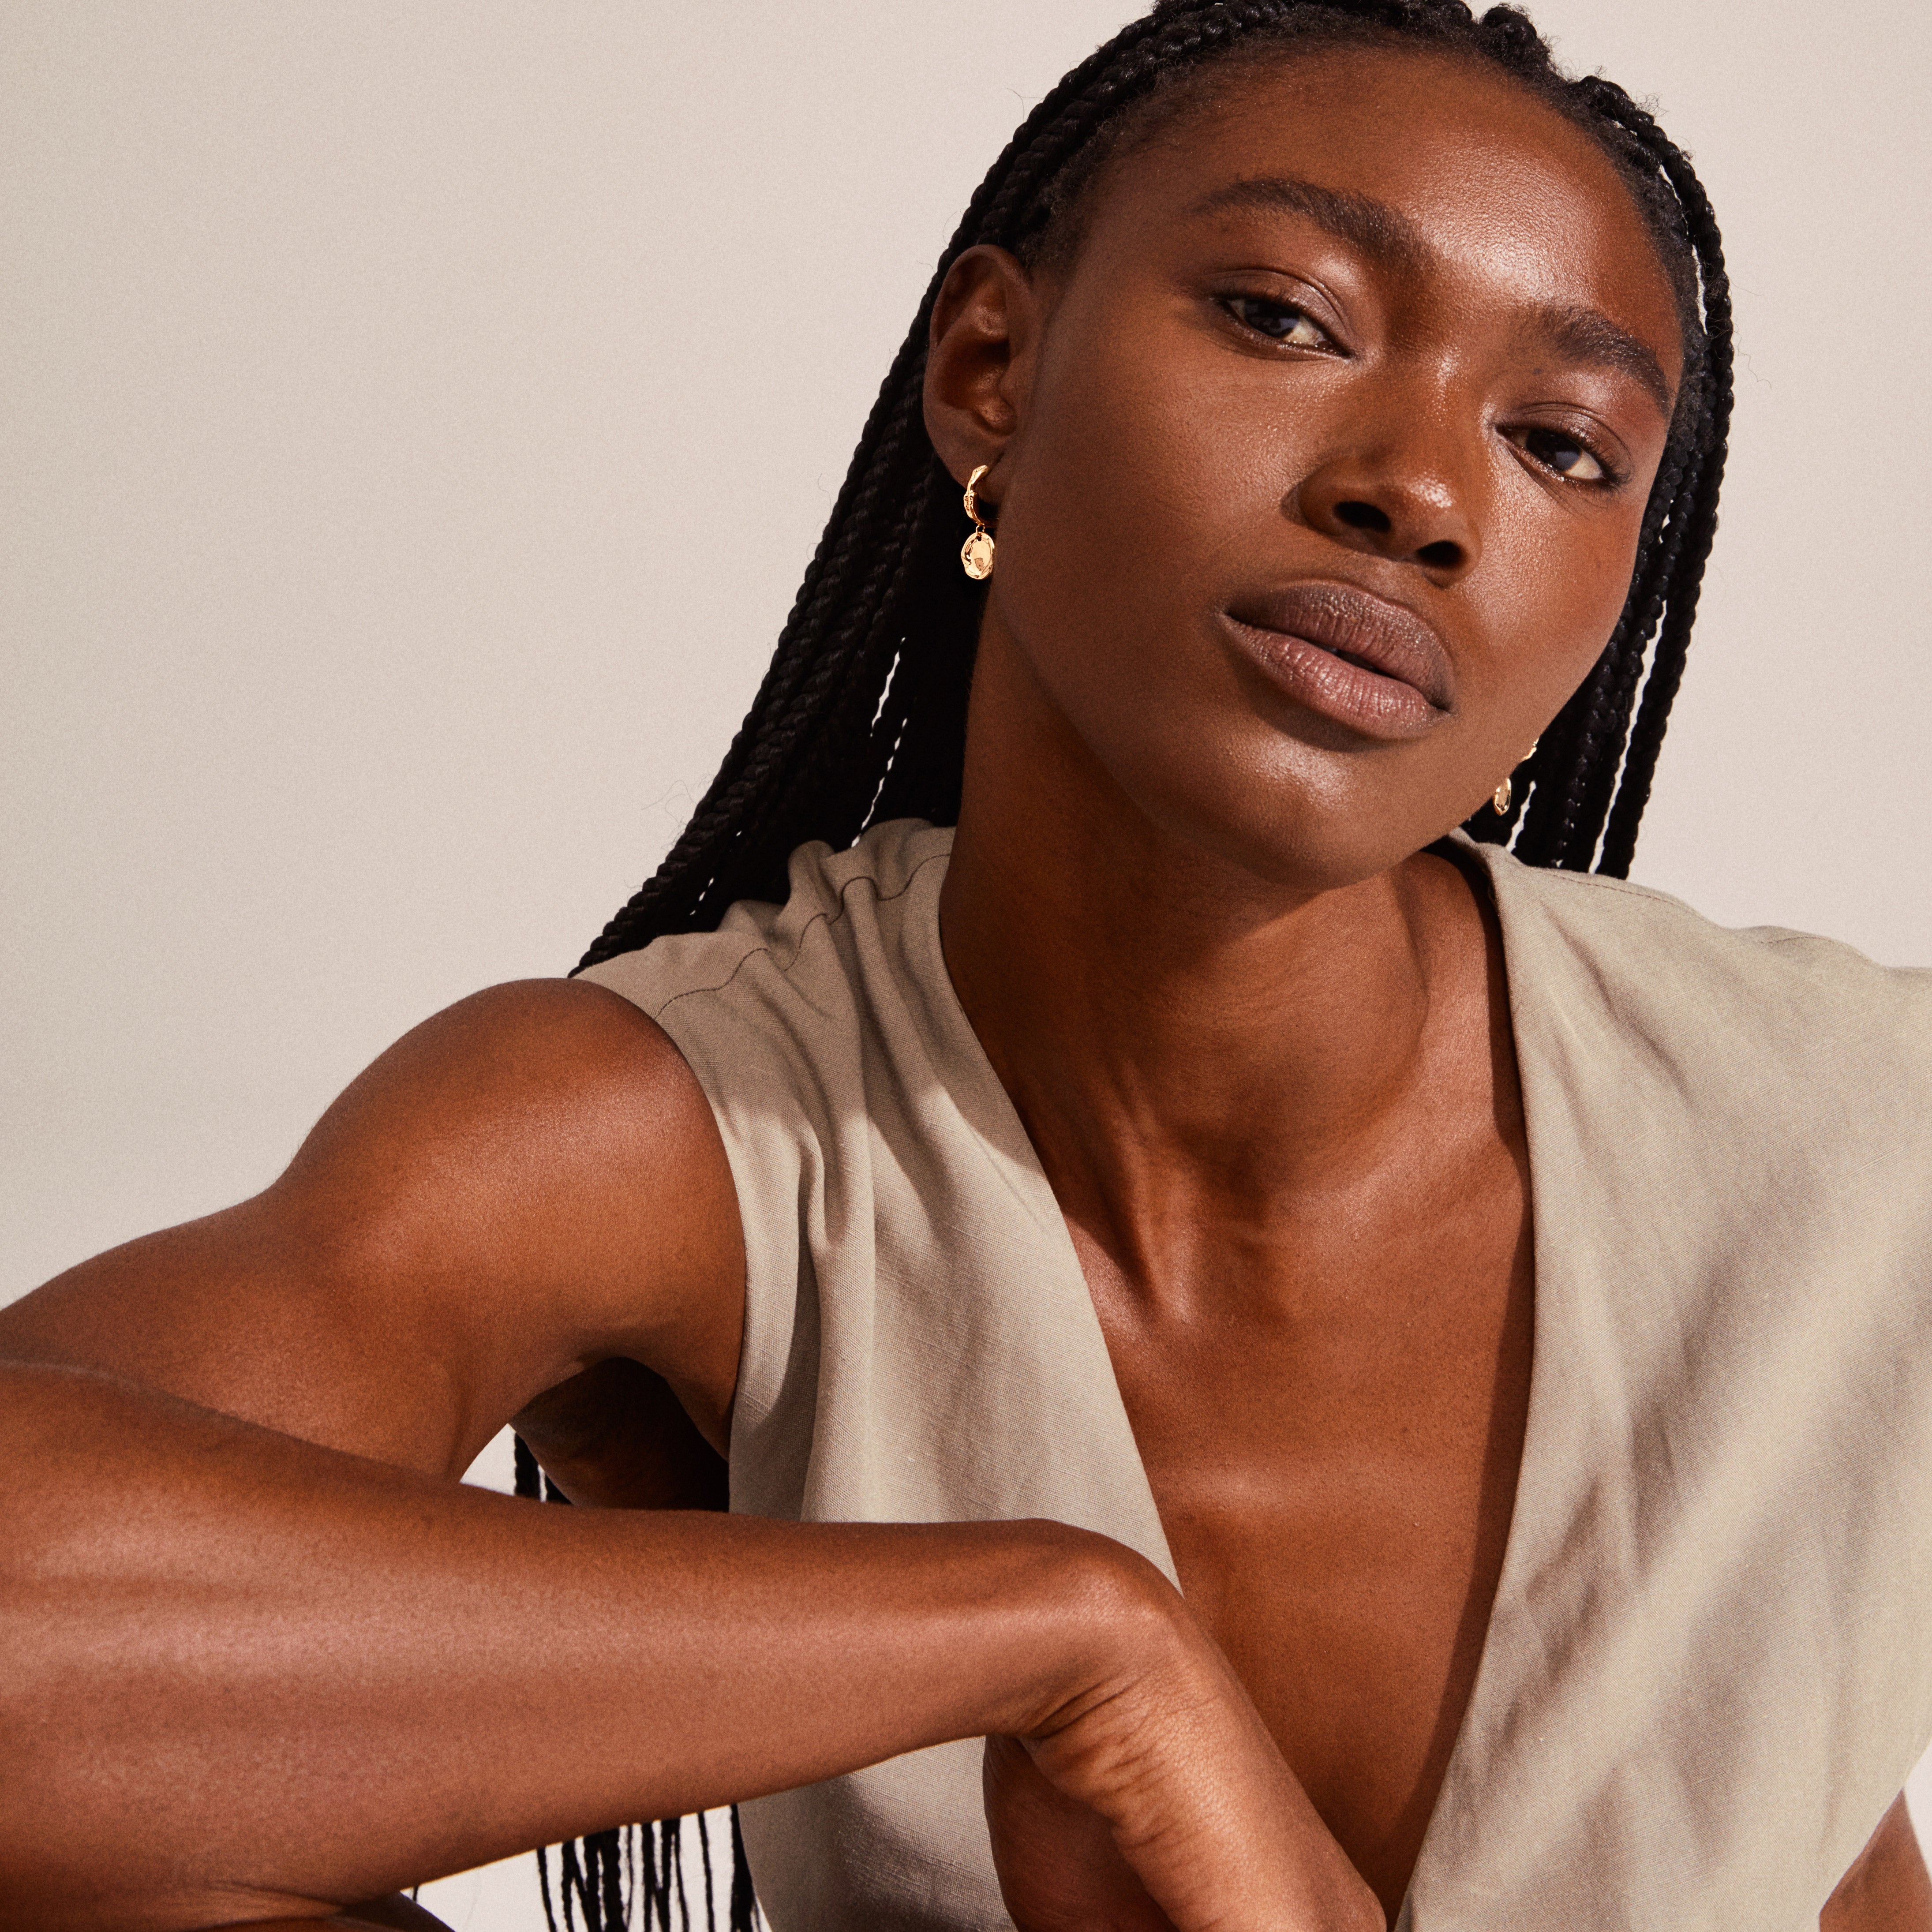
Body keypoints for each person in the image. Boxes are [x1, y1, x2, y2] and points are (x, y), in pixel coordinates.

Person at [4, 1, 1930, 1928]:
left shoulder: (1858, 1147)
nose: (1419, 493)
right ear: (990, 368)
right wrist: (1069, 1647)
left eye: (1561, 445)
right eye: (1286, 318)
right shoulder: (705, 1132)